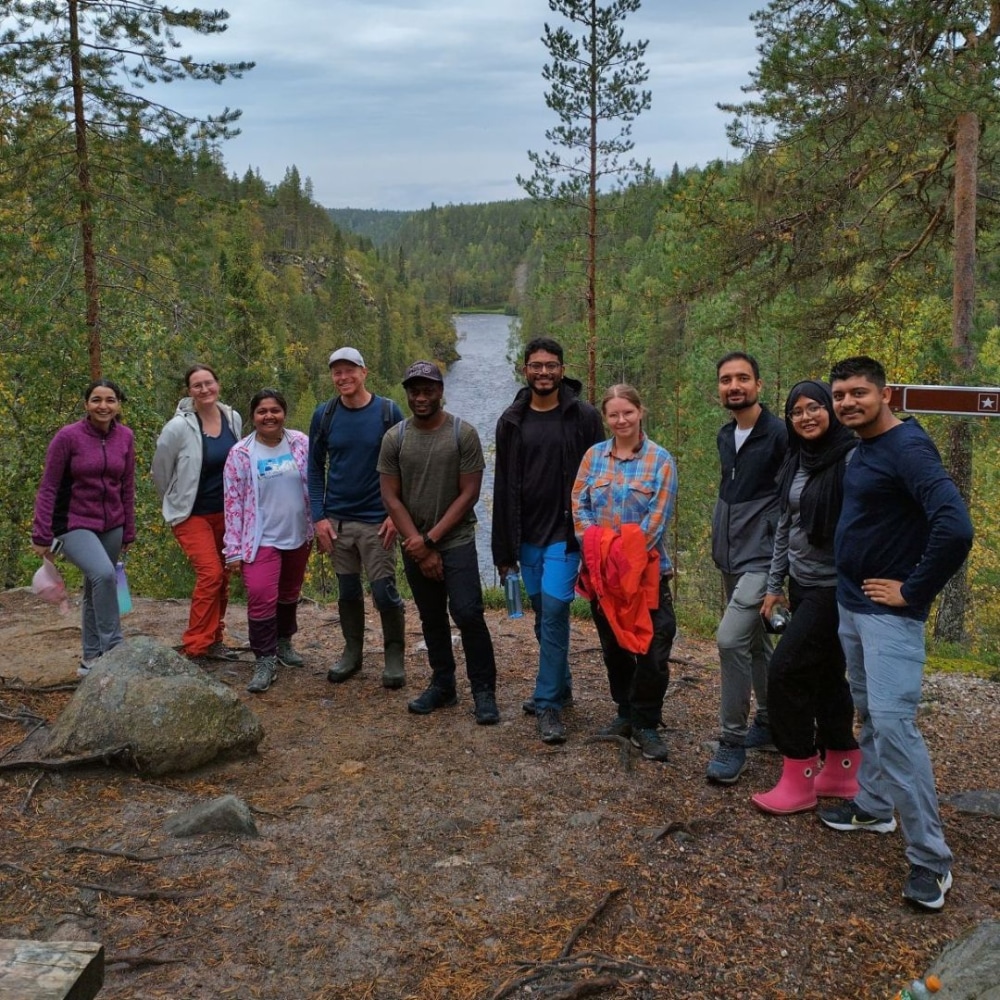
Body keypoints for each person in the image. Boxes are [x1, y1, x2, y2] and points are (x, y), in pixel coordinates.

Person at [819, 356, 973, 912]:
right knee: (868, 712)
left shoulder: (908, 448)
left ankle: (931, 862)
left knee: (893, 726)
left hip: (890, 617)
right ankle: (875, 806)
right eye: (840, 395)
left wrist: (913, 589)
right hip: (854, 608)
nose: (847, 403)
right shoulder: (865, 448)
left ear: (884, 395)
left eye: (858, 393)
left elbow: (955, 526)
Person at [750, 380, 860, 814]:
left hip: (836, 589)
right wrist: (775, 586)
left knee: (786, 671)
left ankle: (799, 772)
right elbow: (786, 527)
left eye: (814, 407)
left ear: (830, 411)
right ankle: (843, 767)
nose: (806, 417)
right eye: (796, 412)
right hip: (802, 584)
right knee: (827, 676)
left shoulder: (852, 458)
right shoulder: (797, 460)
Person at [492, 337, 604, 745]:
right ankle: (561, 683)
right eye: (536, 365)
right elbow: (503, 486)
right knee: (542, 615)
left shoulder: (584, 416)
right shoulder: (511, 420)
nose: (544, 372)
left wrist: (594, 538)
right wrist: (503, 552)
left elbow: (598, 477)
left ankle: (548, 705)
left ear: (562, 369)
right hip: (526, 535)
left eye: (551, 365)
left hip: (566, 534)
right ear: (526, 370)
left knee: (555, 613)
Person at [378, 360, 499, 725]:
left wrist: (431, 540)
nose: (421, 397)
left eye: (428, 389)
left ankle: (483, 691)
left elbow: (469, 494)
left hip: (455, 539)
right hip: (414, 542)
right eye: (415, 390)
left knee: (467, 613)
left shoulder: (463, 433)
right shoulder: (395, 438)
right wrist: (417, 542)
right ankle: (443, 684)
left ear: (440, 391)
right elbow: (391, 497)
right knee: (431, 617)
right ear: (408, 394)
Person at [571, 384, 678, 761]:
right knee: (614, 647)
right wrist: (600, 550)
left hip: (646, 574)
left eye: (627, 413)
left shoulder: (660, 461)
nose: (621, 420)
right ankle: (624, 712)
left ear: (640, 411)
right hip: (601, 577)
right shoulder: (593, 457)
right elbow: (578, 505)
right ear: (606, 418)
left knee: (652, 647)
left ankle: (647, 721)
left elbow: (656, 522)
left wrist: (621, 558)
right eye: (613, 415)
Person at [707, 351, 788, 784]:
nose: (733, 386)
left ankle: (732, 741)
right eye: (725, 380)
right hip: (730, 557)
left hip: (764, 559)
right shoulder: (726, 435)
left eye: (742, 378)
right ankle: (772, 722)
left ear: (759, 384)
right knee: (757, 645)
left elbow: (793, 500)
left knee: (729, 639)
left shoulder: (780, 435)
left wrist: (784, 568)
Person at [309, 347, 406, 689]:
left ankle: (394, 655)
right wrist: (319, 518)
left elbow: (404, 466)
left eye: (350, 370)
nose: (343, 377)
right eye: (337, 372)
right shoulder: (325, 415)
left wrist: (397, 516)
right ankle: (353, 652)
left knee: (383, 591)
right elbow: (315, 468)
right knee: (347, 591)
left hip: (376, 521)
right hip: (337, 522)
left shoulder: (387, 412)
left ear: (364, 373)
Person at [31, 379, 136, 676]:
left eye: (110, 400)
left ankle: (90, 659)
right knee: (103, 574)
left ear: (118, 405)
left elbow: (127, 486)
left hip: (112, 524)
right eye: (97, 400)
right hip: (73, 523)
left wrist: (129, 528)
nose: (103, 406)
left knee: (96, 587)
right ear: (86, 404)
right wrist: (41, 533)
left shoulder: (126, 437)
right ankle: (114, 647)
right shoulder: (68, 437)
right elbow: (49, 487)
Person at [223, 388, 313, 694]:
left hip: (298, 534)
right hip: (260, 539)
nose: (269, 416)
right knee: (261, 594)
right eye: (262, 411)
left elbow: (314, 484)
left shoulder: (301, 443)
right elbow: (232, 503)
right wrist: (232, 550)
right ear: (253, 417)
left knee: (289, 592)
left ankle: (284, 642)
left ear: (284, 413)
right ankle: (264, 659)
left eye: (275, 410)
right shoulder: (241, 454)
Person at [152, 364, 243, 660]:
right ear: (189, 391)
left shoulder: (232, 418)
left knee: (224, 576)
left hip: (227, 514)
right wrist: (174, 500)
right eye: (197, 385)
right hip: (192, 515)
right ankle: (196, 645)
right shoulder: (178, 427)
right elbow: (160, 471)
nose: (204, 389)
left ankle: (215, 636)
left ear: (218, 384)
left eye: (209, 383)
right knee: (211, 574)